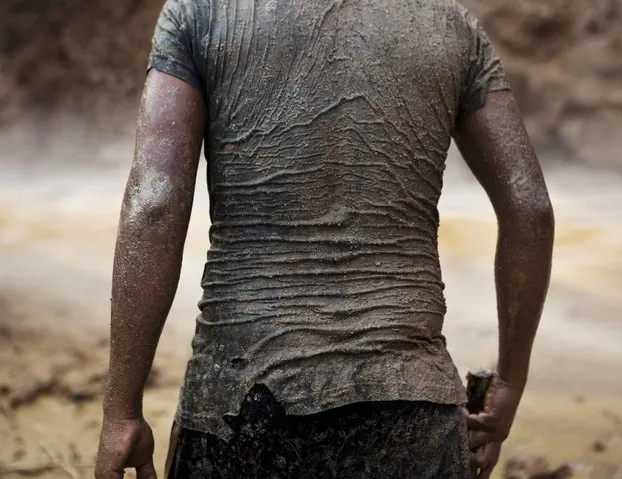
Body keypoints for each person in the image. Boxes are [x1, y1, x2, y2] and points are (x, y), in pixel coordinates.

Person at [95, 0, 554, 477]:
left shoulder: (202, 13)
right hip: (412, 402)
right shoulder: (451, 28)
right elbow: (531, 210)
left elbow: (155, 203)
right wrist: (510, 383)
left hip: (243, 402)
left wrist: (121, 411)